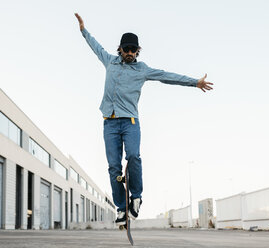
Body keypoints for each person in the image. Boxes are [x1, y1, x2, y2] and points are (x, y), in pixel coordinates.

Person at [74, 13, 213, 226]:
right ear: (120, 49)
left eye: (133, 49)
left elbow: (168, 76)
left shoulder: (142, 69)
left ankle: (136, 197)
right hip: (109, 122)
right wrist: (84, 30)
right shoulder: (109, 61)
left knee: (133, 156)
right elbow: (95, 46)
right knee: (113, 168)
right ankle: (121, 209)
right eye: (126, 49)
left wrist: (194, 82)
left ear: (137, 51)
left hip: (130, 122)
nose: (129, 52)